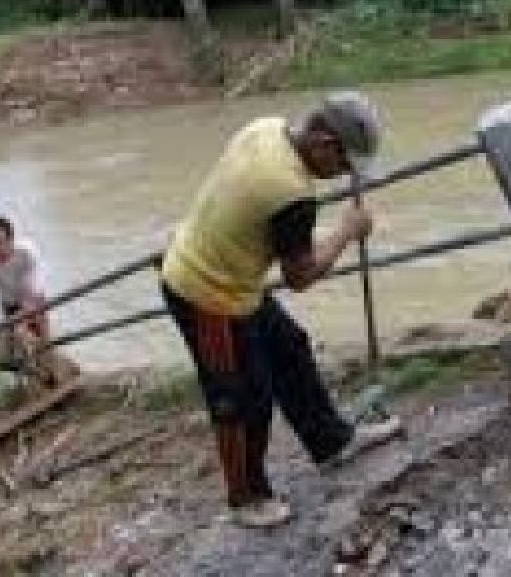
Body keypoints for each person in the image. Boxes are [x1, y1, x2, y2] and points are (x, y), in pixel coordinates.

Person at [160, 91, 403, 529]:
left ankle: (331, 442)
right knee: (241, 398)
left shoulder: (267, 127)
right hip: (206, 292)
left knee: (289, 347)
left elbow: (261, 220)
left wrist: (319, 232)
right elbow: (300, 277)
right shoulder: (291, 192)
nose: (344, 175)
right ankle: (246, 497)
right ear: (323, 143)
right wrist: (346, 232)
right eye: (345, 164)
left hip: (231, 273)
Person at [0, 216, 78, 386]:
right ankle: (29, 381)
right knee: (15, 347)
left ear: (11, 240)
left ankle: (52, 373)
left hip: (34, 299)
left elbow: (31, 294)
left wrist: (22, 322)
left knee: (40, 340)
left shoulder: (26, 253)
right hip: (9, 302)